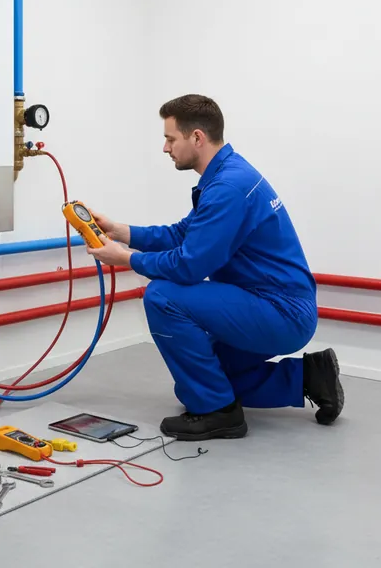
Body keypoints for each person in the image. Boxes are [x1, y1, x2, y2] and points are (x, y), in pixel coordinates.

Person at [87, 94, 343, 441]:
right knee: (208, 377)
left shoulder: (228, 187)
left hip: (279, 311)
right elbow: (183, 234)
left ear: (197, 138)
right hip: (267, 303)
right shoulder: (227, 174)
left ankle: (219, 413)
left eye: (170, 139)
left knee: (162, 295)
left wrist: (126, 259)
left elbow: (189, 265)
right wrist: (121, 232)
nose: (165, 148)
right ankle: (308, 377)